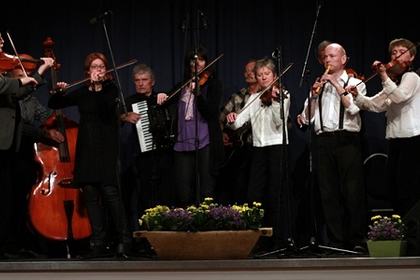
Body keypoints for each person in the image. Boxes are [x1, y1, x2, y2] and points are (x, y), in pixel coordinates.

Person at [50, 52, 130, 258]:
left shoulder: (111, 90)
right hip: (87, 148)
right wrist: (59, 91)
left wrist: (96, 88)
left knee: (110, 193)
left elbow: (104, 109)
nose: (99, 70)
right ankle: (98, 242)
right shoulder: (82, 92)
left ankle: (124, 239)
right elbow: (54, 104)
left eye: (102, 67)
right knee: (91, 194)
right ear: (88, 71)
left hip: (106, 148)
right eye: (95, 67)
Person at [298, 43, 367, 252]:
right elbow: (307, 118)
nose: (328, 60)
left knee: (352, 191)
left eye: (332, 56)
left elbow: (354, 109)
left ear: (343, 59)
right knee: (328, 193)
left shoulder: (355, 82)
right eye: (325, 57)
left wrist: (337, 85)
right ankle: (335, 241)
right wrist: (313, 96)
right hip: (323, 141)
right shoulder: (319, 84)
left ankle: (356, 239)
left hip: (346, 141)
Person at [348, 38, 420, 218]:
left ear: (411, 57)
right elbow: (374, 105)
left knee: (408, 189)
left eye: (401, 52)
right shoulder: (393, 82)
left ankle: (412, 236)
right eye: (393, 52)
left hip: (412, 140)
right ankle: (401, 230)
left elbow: (399, 97)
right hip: (395, 141)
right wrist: (357, 96)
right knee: (394, 187)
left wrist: (383, 76)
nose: (396, 55)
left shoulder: (411, 77)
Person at [226, 57, 290, 249]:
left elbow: (280, 122)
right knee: (255, 193)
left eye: (266, 75)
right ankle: (258, 240)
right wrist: (231, 118)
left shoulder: (283, 94)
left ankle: (278, 239)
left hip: (277, 147)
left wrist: (276, 101)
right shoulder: (253, 98)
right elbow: (238, 122)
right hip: (259, 149)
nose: (263, 78)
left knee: (275, 193)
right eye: (260, 75)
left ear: (274, 76)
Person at [157, 47, 224, 207]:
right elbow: (166, 102)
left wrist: (198, 94)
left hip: (205, 141)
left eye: (200, 59)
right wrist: (160, 96)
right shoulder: (183, 85)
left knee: (206, 189)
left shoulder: (214, 84)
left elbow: (211, 113)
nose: (197, 63)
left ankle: (207, 224)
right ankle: (187, 224)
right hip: (182, 140)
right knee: (183, 190)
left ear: (206, 62)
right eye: (193, 60)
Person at [120, 63, 174, 231]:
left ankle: (165, 230)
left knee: (165, 193)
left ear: (153, 82)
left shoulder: (161, 98)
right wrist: (124, 116)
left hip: (163, 154)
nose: (141, 83)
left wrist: (167, 98)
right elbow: (113, 117)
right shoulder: (130, 102)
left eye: (144, 80)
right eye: (137, 80)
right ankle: (146, 232)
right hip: (141, 156)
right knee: (144, 195)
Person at [218, 59, 258, 204]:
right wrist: (223, 133)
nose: (248, 74)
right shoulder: (238, 97)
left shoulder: (267, 95)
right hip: (241, 149)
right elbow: (220, 118)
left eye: (252, 70)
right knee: (238, 186)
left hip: (260, 148)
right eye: (246, 71)